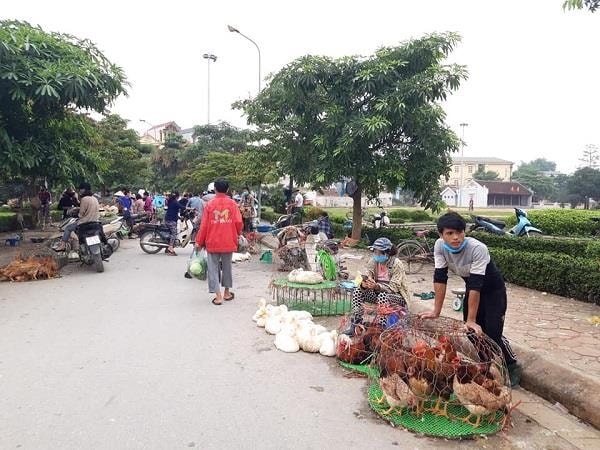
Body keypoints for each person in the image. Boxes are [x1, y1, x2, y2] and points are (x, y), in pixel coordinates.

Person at [419, 212, 521, 386]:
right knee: (472, 333)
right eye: (450, 233)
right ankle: (487, 366)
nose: (456, 237)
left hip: (493, 291)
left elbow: (476, 284)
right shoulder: (439, 247)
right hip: (472, 289)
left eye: (459, 232)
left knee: (492, 335)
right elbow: (440, 278)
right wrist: (436, 311)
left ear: (464, 232)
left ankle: (511, 365)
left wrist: (472, 319)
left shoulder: (477, 248)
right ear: (441, 235)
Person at [343, 237, 410, 335]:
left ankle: (382, 328)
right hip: (377, 294)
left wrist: (377, 286)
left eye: (379, 253)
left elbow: (393, 288)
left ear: (387, 253)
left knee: (383, 295)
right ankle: (355, 324)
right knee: (358, 291)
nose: (376, 255)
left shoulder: (397, 264)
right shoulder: (373, 261)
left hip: (396, 296)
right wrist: (364, 284)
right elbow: (368, 274)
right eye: (375, 252)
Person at [195, 178, 243, 305]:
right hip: (228, 240)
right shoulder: (233, 204)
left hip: (212, 241)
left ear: (215, 189)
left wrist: (199, 242)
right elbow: (239, 222)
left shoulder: (210, 204)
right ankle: (227, 293)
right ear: (227, 190)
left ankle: (218, 296)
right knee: (227, 267)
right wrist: (237, 234)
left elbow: (204, 226)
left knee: (213, 268)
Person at [54, 182, 99, 251]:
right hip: (95, 222)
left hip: (84, 223)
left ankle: (62, 245)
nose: (80, 191)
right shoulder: (95, 199)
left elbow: (81, 214)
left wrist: (76, 211)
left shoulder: (84, 199)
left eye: (81, 189)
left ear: (84, 190)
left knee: (68, 228)